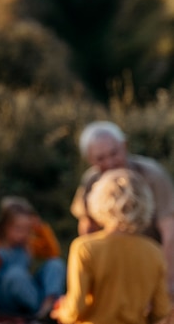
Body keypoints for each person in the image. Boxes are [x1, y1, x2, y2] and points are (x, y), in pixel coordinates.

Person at [52, 168, 171, 324]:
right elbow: (161, 311)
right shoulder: (154, 251)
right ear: (145, 203)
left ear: (98, 201)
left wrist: (60, 311)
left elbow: (75, 309)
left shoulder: (85, 248)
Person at [70, 120, 174, 296]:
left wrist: (166, 281)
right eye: (100, 158)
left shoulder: (152, 175)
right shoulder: (91, 180)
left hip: (151, 258)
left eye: (114, 153)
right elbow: (87, 227)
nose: (110, 163)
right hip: (114, 262)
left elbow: (170, 231)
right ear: (89, 159)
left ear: (124, 146)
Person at [0, 196, 65, 320]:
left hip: (27, 294)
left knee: (56, 264)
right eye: (18, 229)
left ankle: (49, 305)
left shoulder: (28, 245)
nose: (23, 234)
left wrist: (40, 228)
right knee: (16, 275)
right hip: (5, 297)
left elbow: (53, 253)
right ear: (5, 226)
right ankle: (42, 313)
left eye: (27, 229)